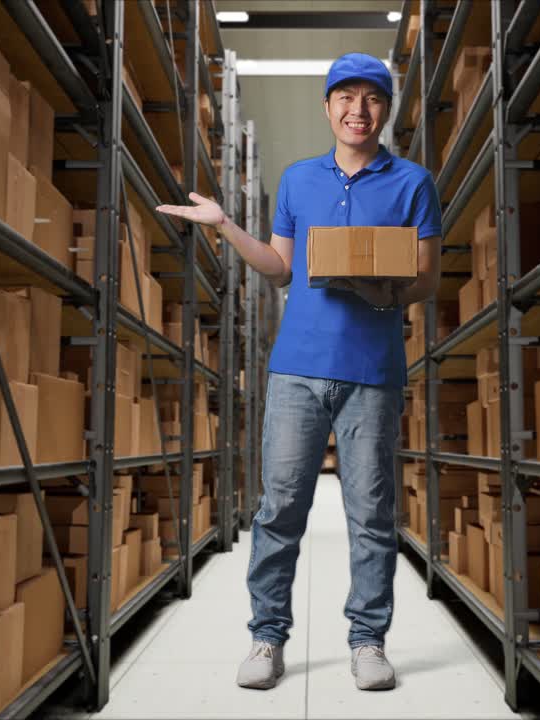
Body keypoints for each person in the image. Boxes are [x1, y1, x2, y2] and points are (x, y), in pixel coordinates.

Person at [156, 52, 441, 691]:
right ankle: (266, 638)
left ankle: (368, 642)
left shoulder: (412, 182)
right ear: (327, 107)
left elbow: (426, 277)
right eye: (346, 97)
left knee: (371, 512)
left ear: (386, 110)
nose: (357, 110)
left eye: (371, 99)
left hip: (373, 369)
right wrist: (224, 225)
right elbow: (281, 268)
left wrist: (384, 292)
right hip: (296, 370)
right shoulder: (296, 180)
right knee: (280, 507)